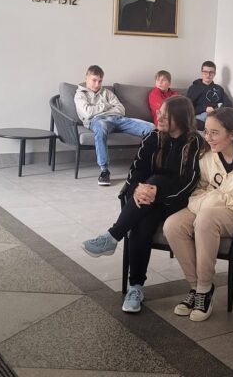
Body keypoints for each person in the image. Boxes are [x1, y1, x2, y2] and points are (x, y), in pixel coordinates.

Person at [81, 96, 202, 313]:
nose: (159, 117)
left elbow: (189, 182)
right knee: (141, 223)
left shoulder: (194, 143)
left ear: (181, 118)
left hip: (175, 201)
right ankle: (135, 287)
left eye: (166, 115)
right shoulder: (153, 137)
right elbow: (136, 170)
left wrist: (157, 190)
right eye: (160, 112)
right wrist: (138, 188)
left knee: (155, 181)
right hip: (145, 201)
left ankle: (112, 237)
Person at [163, 107, 233, 322]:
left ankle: (204, 289)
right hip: (202, 207)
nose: (208, 138)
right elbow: (200, 189)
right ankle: (195, 287)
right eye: (206, 131)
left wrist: (215, 200)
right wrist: (211, 200)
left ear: (232, 134)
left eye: (214, 133)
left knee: (206, 220)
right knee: (172, 225)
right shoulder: (206, 157)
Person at [74, 65, 154, 186]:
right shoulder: (80, 95)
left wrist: (100, 108)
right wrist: (107, 106)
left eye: (100, 81)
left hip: (119, 119)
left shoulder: (107, 92)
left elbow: (121, 110)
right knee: (101, 127)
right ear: (86, 78)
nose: (97, 84)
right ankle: (104, 171)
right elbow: (88, 112)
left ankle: (149, 166)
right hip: (98, 120)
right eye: (94, 80)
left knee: (151, 128)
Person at [186, 61, 232, 129]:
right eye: (205, 72)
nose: (208, 75)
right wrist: (204, 108)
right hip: (200, 117)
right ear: (201, 73)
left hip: (216, 116)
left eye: (211, 72)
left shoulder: (219, 89)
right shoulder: (193, 88)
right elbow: (187, 108)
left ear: (214, 74)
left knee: (231, 118)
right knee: (192, 121)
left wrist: (217, 111)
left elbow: (229, 105)